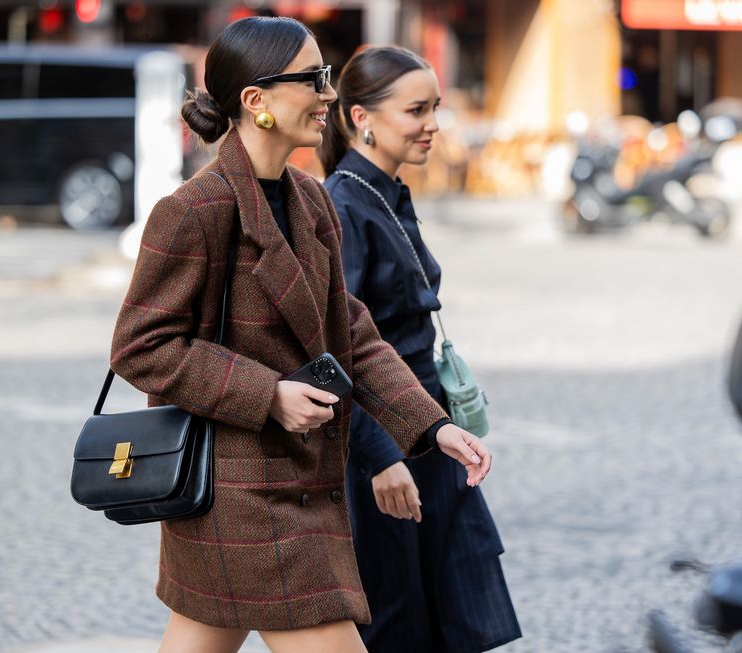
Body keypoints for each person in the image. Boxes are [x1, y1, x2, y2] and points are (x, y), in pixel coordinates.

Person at [109, 18, 493, 653]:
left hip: (294, 484)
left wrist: (430, 425)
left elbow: (353, 334)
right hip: (237, 490)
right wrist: (268, 394)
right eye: (314, 80)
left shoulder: (310, 201)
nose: (329, 96)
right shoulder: (194, 211)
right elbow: (140, 345)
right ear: (256, 101)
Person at [319, 46, 522, 653]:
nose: (434, 123)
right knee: (396, 616)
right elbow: (338, 347)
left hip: (425, 431)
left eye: (435, 106)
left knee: (445, 608)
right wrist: (379, 455)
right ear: (363, 117)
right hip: (384, 441)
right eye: (417, 109)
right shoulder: (344, 204)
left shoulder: (385, 192)